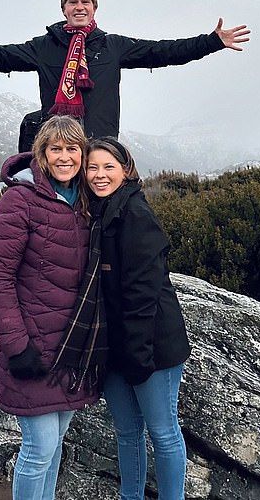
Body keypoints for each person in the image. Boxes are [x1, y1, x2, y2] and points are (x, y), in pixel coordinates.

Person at [0, 0, 250, 142]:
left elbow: (164, 52)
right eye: (73, 2)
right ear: (63, 9)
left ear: (94, 9)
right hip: (59, 144)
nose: (79, 7)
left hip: (102, 144)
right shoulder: (43, 47)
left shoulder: (113, 46)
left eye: (85, 2)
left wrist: (212, 42)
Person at [0, 115, 106, 500]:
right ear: (42, 154)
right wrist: (17, 345)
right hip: (33, 346)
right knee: (39, 450)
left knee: (56, 447)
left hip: (71, 346)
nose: (65, 157)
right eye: (56, 149)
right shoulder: (20, 199)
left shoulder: (86, 201)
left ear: (82, 155)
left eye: (73, 149)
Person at [85, 137, 191, 500]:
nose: (100, 175)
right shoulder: (97, 213)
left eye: (108, 167)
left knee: (162, 432)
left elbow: (144, 295)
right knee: (127, 432)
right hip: (115, 347)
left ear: (125, 170)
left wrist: (139, 357)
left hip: (152, 347)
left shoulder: (136, 215)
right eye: (92, 167)